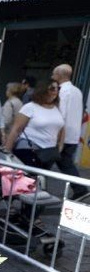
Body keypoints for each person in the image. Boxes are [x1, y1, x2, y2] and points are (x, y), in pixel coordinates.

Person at [3, 79, 65, 170]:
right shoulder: (30, 107)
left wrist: (60, 146)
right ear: (43, 89)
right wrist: (7, 152)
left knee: (40, 180)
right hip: (29, 149)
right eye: (52, 88)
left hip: (49, 152)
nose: (56, 91)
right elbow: (16, 129)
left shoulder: (57, 108)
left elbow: (62, 128)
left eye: (58, 88)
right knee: (30, 180)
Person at [52, 64, 87, 199]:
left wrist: (56, 136)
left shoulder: (62, 91)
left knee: (50, 163)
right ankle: (80, 189)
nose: (52, 77)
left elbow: (61, 114)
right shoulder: (77, 91)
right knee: (65, 163)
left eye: (54, 74)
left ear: (60, 75)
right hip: (72, 135)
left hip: (62, 136)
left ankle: (80, 189)